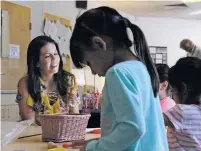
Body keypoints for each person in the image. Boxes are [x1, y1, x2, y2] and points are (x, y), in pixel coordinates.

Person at [70, 6, 168, 151]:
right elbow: (139, 129)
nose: (93, 71)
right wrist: (104, 141)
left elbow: (133, 128)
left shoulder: (117, 73)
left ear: (99, 43)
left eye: (89, 63)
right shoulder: (140, 67)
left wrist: (95, 148)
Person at [16, 36, 80, 124]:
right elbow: (29, 122)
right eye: (47, 56)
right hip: (36, 135)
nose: (54, 59)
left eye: (56, 54)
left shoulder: (69, 80)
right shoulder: (25, 83)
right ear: (36, 62)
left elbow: (75, 118)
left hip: (65, 134)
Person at [164, 57, 201, 151]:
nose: (172, 97)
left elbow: (153, 119)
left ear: (183, 89)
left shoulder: (182, 112)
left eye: (173, 91)